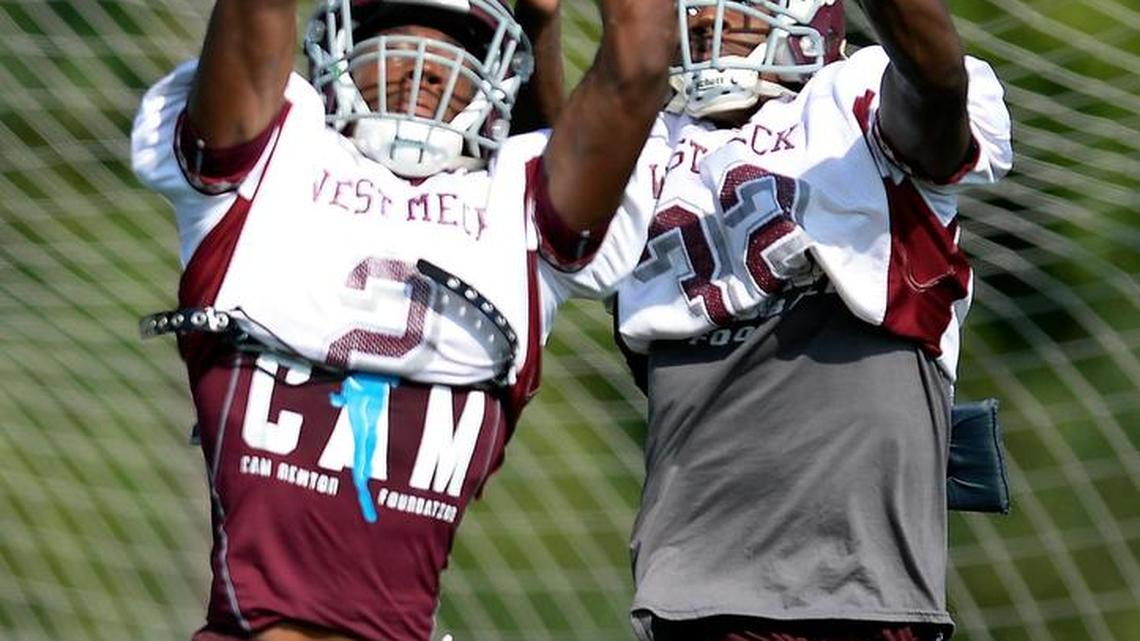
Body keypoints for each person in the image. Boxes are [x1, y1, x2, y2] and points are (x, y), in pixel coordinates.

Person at [129, 0, 676, 639]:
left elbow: (641, 58)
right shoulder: (264, 162)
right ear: (339, 49)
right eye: (395, 32)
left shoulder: (521, 207)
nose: (426, 66)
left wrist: (543, 16)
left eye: (456, 48)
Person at [611, 1, 1013, 640]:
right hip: (695, 577)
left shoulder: (856, 92)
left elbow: (936, 85)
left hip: (860, 578)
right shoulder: (639, 143)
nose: (704, 16)